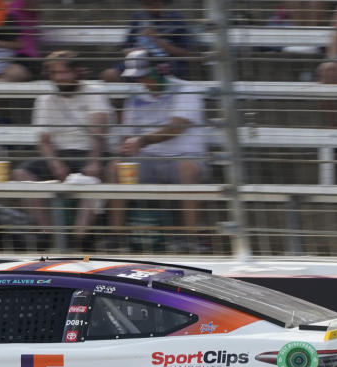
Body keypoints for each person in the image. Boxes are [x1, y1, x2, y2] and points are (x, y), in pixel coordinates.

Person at [106, 49, 207, 252]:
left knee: (188, 169)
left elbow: (177, 127)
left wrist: (142, 141)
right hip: (147, 160)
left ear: (160, 70)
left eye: (144, 76)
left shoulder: (187, 90)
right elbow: (128, 132)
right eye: (137, 77)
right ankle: (116, 237)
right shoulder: (135, 95)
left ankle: (191, 239)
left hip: (183, 159)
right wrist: (126, 145)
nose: (141, 81)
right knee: (117, 168)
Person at [12, 50, 112, 249]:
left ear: (77, 72)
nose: (60, 78)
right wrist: (54, 162)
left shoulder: (95, 91)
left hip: (89, 150)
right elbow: (44, 139)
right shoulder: (45, 99)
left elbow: (99, 131)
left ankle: (79, 238)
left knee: (93, 179)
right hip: (60, 153)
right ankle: (49, 233)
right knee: (21, 174)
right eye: (55, 73)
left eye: (64, 73)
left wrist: (94, 161)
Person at [100, 0, 196, 82]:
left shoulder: (176, 19)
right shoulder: (137, 17)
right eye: (146, 4)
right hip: (138, 61)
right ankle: (125, 101)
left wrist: (157, 40)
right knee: (109, 75)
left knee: (151, 78)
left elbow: (185, 53)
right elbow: (126, 48)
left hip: (165, 63)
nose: (149, 8)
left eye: (153, 3)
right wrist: (133, 51)